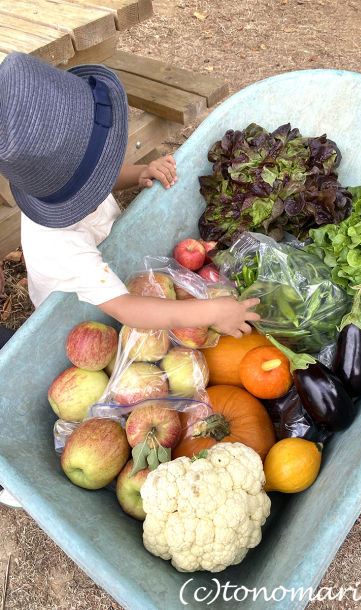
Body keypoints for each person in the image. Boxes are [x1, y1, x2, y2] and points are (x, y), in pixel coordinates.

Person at [0, 53, 260, 508]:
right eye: (102, 166)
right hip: (84, 313)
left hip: (104, 284)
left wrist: (136, 173)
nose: (108, 169)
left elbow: (95, 181)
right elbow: (126, 310)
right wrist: (211, 310)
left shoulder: (64, 186)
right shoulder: (61, 243)